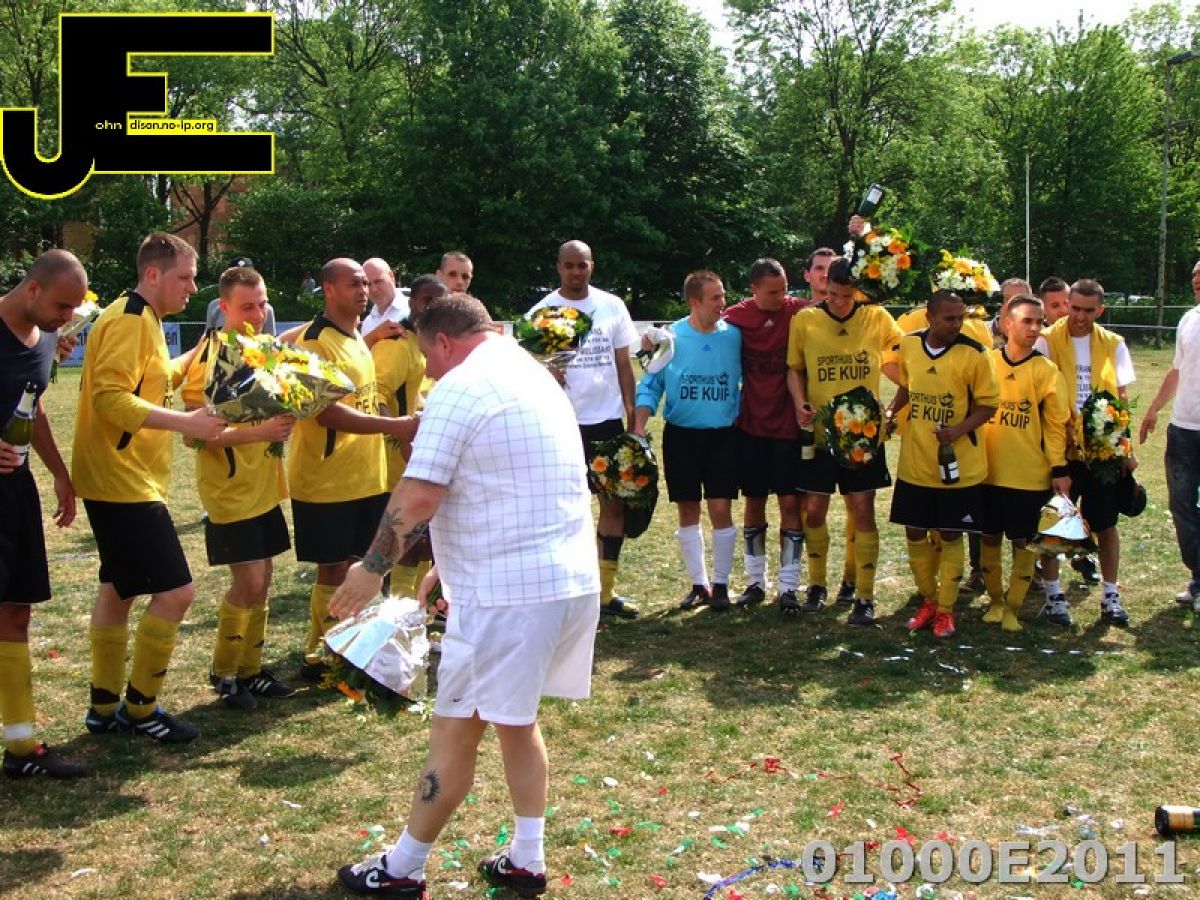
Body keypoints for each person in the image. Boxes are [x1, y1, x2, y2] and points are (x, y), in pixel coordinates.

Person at [329, 294, 599, 899]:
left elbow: (419, 495)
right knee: (515, 722)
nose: (427, 369)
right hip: (565, 582)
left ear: (445, 342)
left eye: (427, 356)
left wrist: (371, 570)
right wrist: (445, 568)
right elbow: (510, 482)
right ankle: (527, 857)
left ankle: (402, 868)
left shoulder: (460, 387)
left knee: (454, 732)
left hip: (506, 598)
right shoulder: (532, 373)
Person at [75, 233, 225, 743]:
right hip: (123, 480)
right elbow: (110, 398)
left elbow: (151, 382)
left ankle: (103, 708)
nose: (193, 288)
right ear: (154, 274)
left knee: (118, 589)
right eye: (186, 277)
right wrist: (189, 423)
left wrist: (198, 354)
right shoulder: (130, 320)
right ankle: (140, 710)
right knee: (177, 592)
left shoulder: (143, 318)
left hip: (120, 477)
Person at [289, 259, 418, 681]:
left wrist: (397, 427)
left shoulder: (358, 337)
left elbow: (368, 397)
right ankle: (321, 657)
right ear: (328, 289)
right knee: (332, 569)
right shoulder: (315, 341)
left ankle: (349, 653)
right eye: (353, 284)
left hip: (367, 475)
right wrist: (392, 425)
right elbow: (324, 412)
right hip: (326, 478)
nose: (363, 290)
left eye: (365, 283)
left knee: (358, 567)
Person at [180, 267, 297, 710]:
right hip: (229, 490)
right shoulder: (211, 355)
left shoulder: (261, 349)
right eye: (247, 306)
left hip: (263, 484)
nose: (257, 313)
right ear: (223, 307)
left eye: (262, 304)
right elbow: (193, 435)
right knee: (247, 582)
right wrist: (260, 432)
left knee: (263, 580)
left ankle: (251, 669)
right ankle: (224, 672)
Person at [0, 250, 89, 777]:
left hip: (16, 491)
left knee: (16, 611)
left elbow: (32, 410)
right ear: (32, 289)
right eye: (62, 306)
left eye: (74, 308)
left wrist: (59, 473)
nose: (67, 317)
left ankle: (20, 748)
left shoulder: (47, 339)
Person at [527, 240, 639, 619]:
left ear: (592, 265)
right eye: (570, 265)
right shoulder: (542, 312)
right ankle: (565, 592)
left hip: (607, 422)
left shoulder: (611, 306)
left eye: (583, 265)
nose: (576, 272)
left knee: (613, 504)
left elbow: (624, 365)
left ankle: (605, 593)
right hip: (561, 424)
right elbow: (530, 369)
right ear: (559, 267)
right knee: (563, 509)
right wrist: (546, 370)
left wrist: (632, 417)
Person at [788, 256, 902, 624]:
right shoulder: (805, 319)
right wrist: (799, 403)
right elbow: (794, 369)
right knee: (815, 510)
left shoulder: (876, 317)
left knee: (863, 510)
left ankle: (862, 594)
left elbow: (907, 359)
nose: (838, 302)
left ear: (858, 292)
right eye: (832, 294)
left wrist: (893, 407)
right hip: (821, 436)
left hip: (862, 437)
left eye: (846, 296)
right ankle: (817, 585)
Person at [886, 290, 999, 639]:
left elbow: (988, 405)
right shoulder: (909, 345)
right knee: (914, 531)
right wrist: (890, 411)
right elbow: (908, 386)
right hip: (915, 461)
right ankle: (929, 600)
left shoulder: (975, 354)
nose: (956, 324)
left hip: (958, 465)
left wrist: (958, 430)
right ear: (930, 318)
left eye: (960, 317)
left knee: (951, 533)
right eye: (949, 318)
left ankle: (947, 611)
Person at [633, 271, 741, 610]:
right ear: (694, 301)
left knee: (721, 507)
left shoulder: (734, 336)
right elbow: (650, 385)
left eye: (723, 295)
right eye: (715, 297)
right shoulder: (671, 338)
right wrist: (638, 427)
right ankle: (699, 584)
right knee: (688, 508)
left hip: (723, 436)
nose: (722, 303)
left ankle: (722, 584)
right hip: (681, 436)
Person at [1036, 278, 1137, 626]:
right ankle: (1054, 596)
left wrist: (1126, 448)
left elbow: (1121, 398)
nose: (1079, 316)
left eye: (1088, 310)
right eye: (1074, 308)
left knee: (1106, 525)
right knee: (1055, 523)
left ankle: (1111, 596)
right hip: (1061, 449)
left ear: (1100, 310)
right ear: (1067, 304)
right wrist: (1056, 461)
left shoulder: (1113, 344)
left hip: (1102, 450)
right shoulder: (1047, 340)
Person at [978, 295, 1071, 631]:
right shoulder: (986, 362)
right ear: (1007, 324)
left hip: (1028, 475)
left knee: (1025, 543)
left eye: (1039, 322)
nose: (1035, 328)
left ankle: (1013, 608)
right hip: (986, 473)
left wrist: (1059, 467)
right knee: (988, 538)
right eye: (1027, 321)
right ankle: (995, 602)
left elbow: (1056, 424)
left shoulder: (1045, 370)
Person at [722, 259, 807, 610]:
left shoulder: (799, 311)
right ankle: (756, 581)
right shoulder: (735, 317)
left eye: (784, 288)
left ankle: (789, 586)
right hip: (750, 425)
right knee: (754, 501)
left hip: (788, 426)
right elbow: (698, 326)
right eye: (773, 292)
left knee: (790, 503)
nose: (781, 296)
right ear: (754, 289)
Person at [372, 274, 446, 596]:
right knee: (409, 542)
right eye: (427, 300)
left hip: (425, 455)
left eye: (439, 301)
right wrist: (402, 439)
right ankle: (400, 609)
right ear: (412, 302)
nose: (433, 306)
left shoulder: (429, 343)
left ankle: (418, 610)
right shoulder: (396, 345)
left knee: (427, 540)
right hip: (399, 461)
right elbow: (375, 397)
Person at [1141, 258, 1200, 610]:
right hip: (1182, 429)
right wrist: (1153, 409)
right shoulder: (1188, 319)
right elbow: (1176, 371)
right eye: (1195, 275)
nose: (1197, 280)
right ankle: (1198, 577)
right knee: (1181, 505)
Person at [361, 257, 410, 349]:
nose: (374, 289)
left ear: (391, 276)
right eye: (368, 284)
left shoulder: (413, 310)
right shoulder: (367, 323)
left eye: (378, 281)